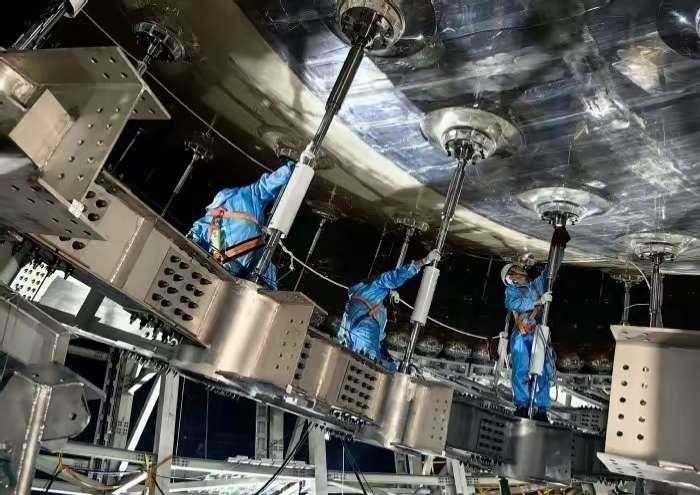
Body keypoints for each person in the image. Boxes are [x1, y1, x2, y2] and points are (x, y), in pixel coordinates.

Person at [188, 159, 294, 289]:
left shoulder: (212, 218)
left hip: (227, 267)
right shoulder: (248, 195)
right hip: (235, 265)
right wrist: (290, 169)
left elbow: (195, 237)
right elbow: (268, 184)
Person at [337, 250, 439, 370]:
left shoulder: (357, 296)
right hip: (363, 340)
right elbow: (396, 276)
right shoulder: (375, 288)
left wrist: (394, 365)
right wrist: (424, 261)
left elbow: (379, 349)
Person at [501, 262, 555, 421]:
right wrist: (538, 302)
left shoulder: (534, 286)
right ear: (511, 278)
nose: (522, 270)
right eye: (516, 270)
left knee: (543, 371)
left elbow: (547, 276)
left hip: (539, 332)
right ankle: (522, 406)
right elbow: (513, 304)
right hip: (521, 335)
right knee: (521, 370)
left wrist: (552, 264)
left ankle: (542, 409)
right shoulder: (511, 291)